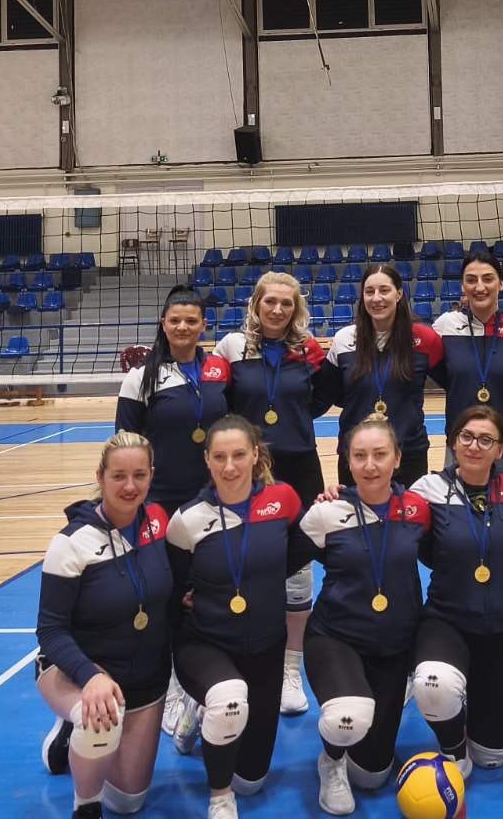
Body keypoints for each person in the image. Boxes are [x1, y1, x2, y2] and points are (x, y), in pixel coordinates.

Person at [165, 416, 315, 819]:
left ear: (255, 455)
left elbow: (298, 552)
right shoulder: (187, 520)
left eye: (238, 455)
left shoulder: (284, 500)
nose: (229, 466)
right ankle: (219, 795)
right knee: (229, 702)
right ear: (207, 460)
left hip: (265, 647)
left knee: (252, 780)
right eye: (219, 457)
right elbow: (173, 588)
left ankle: (201, 713)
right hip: (207, 644)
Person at [299, 415, 432, 814]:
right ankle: (330, 762)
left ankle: (371, 721)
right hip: (336, 636)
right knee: (347, 719)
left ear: (397, 458)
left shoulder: (417, 509)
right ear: (347, 460)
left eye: (379, 454)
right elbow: (275, 561)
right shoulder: (326, 513)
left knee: (373, 775)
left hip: (393, 645)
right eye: (359, 456)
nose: (370, 465)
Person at [36, 432, 173, 819]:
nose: (130, 486)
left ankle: (77, 732)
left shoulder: (159, 522)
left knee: (128, 803)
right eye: (118, 476)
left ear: (151, 475)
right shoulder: (70, 544)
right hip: (79, 669)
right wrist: (89, 676)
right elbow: (50, 631)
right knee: (97, 721)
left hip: (145, 677)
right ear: (100, 477)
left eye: (139, 475)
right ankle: (85, 803)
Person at [214, 272, 330, 714]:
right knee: (243, 559)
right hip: (247, 466)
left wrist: (291, 419)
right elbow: (221, 401)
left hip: (299, 465)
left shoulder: (309, 350)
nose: (278, 310)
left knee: (297, 565)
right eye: (270, 302)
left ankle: (290, 668)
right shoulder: (233, 347)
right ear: (256, 304)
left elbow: (319, 400)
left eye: (287, 303)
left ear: (296, 308)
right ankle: (242, 658)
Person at [408, 404, 503, 782]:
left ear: (500, 449)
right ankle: (453, 748)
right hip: (447, 620)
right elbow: (387, 515)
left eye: (485, 439)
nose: (474, 446)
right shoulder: (428, 490)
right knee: (434, 683)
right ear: (453, 442)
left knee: (493, 756)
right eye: (466, 437)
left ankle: (482, 719)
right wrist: (339, 495)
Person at [323, 265, 443, 489]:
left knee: (409, 512)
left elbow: (456, 382)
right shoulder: (344, 339)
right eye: (369, 291)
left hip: (409, 454)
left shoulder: (425, 339)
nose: (376, 298)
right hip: (357, 455)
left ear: (399, 294)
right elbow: (325, 395)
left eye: (384, 290)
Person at [115, 288, 230, 514]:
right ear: (163, 324)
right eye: (174, 320)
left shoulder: (220, 369)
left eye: (191, 321)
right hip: (160, 496)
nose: (182, 327)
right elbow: (125, 442)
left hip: (215, 491)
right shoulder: (140, 377)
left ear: (204, 325)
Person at [432, 253, 503, 481]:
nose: (479, 287)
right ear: (462, 286)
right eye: (471, 279)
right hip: (462, 447)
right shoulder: (445, 326)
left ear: (500, 283)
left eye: (488, 278)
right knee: (458, 505)